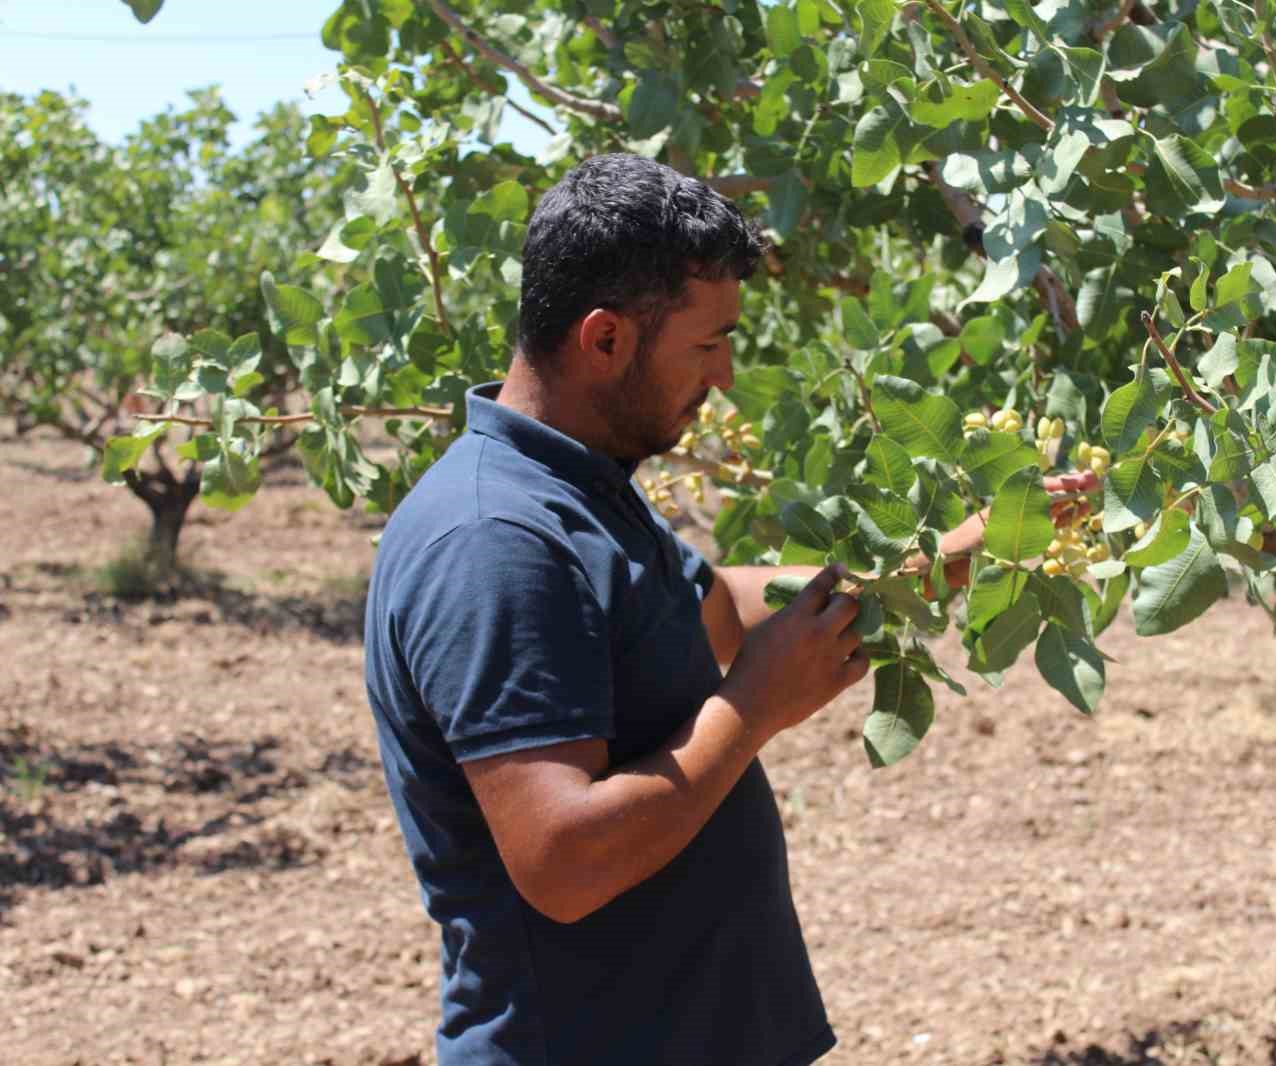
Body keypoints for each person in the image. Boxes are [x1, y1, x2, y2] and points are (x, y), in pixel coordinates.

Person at [364, 153, 1093, 1066]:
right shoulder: (493, 541)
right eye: (707, 345)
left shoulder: (578, 490)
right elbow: (560, 859)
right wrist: (753, 709)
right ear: (604, 340)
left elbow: (715, 608)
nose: (725, 377)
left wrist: (950, 556)